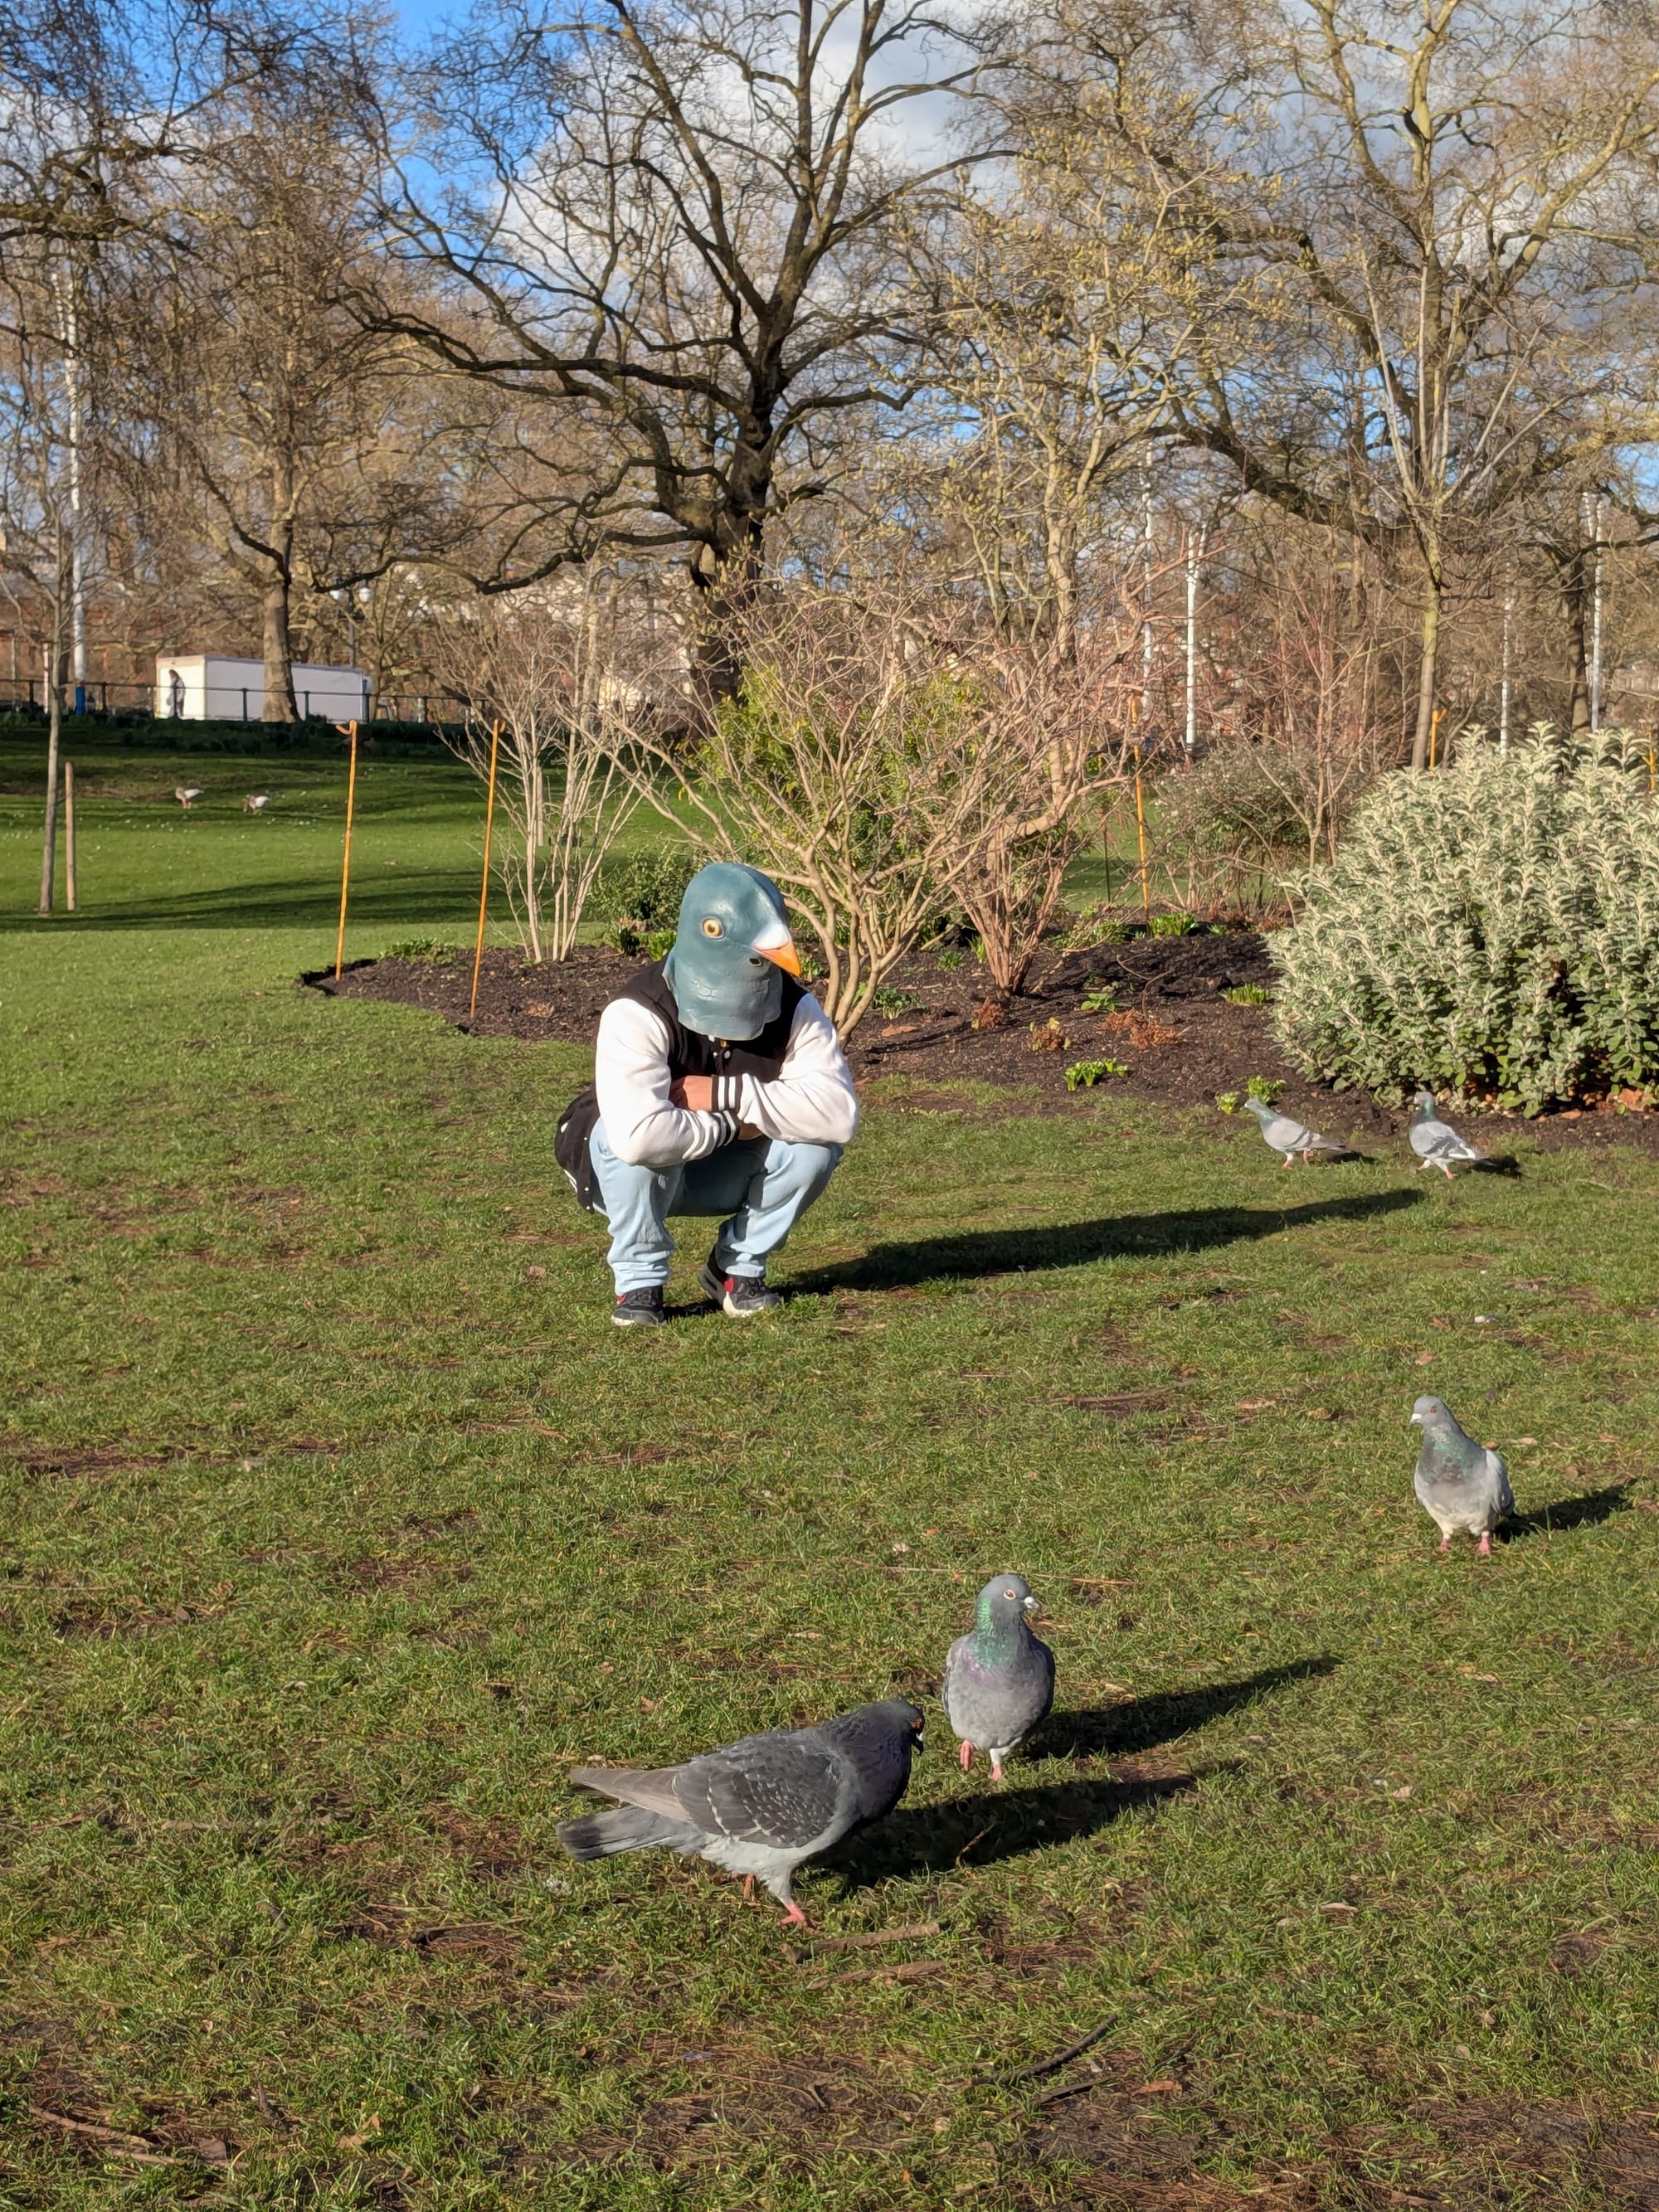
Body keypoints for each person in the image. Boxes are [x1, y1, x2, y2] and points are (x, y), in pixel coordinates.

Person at [555, 862, 859, 1327]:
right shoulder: (637, 1010)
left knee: (815, 1148)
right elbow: (639, 1136)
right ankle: (639, 1279)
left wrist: (724, 1095)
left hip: (720, 1165)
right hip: (620, 1176)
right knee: (629, 1144)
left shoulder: (797, 1008)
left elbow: (839, 1115)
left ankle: (736, 1268)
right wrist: (736, 1124)